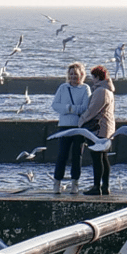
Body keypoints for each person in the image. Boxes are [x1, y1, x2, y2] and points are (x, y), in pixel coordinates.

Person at [50, 61, 91, 194]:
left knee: (77, 156)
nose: (73, 77)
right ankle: (57, 182)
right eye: (71, 74)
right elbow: (55, 105)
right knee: (62, 155)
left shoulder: (85, 88)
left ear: (81, 75)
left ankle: (75, 183)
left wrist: (69, 108)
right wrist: (68, 108)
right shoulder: (63, 87)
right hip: (64, 126)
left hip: (79, 127)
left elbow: (85, 107)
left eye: (76, 74)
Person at [79, 64, 116, 195]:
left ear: (97, 77)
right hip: (108, 129)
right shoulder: (109, 91)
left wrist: (81, 121)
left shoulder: (101, 91)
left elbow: (93, 110)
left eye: (93, 77)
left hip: (98, 129)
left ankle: (96, 187)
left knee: (97, 158)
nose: (92, 79)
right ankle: (105, 186)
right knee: (104, 158)